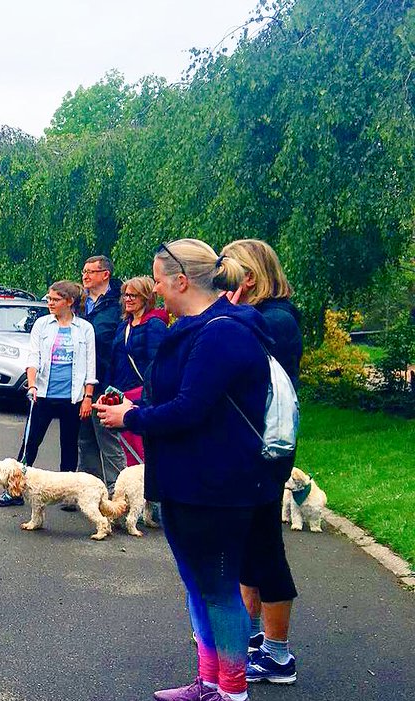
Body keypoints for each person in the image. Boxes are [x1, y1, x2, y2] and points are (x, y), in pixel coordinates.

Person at [96, 239, 271, 701]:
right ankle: (209, 680)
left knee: (218, 590)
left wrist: (130, 418)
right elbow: (173, 395)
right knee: (198, 588)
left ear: (180, 280)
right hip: (185, 480)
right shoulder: (196, 328)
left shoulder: (223, 332)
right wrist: (132, 402)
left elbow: (192, 408)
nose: (154, 287)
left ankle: (232, 691)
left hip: (216, 486)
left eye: (157, 278)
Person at [221, 238, 303, 685]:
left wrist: (224, 310)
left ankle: (278, 654)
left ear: (247, 277)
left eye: (226, 271)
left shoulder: (277, 320)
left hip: (267, 452)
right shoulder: (263, 315)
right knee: (250, 547)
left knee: (266, 549)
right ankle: (255, 637)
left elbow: (238, 352)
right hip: (252, 448)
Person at [0, 281, 97, 508]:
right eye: (48, 298)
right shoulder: (42, 324)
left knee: (69, 446)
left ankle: (68, 496)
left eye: (55, 300)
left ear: (69, 302)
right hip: (44, 393)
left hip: (72, 397)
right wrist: (32, 385)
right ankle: (14, 490)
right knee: (31, 442)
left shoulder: (85, 329)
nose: (50, 303)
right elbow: (34, 356)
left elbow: (90, 365)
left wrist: (88, 396)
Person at [77, 254, 127, 490]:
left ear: (105, 274)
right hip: (81, 382)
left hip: (106, 380)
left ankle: (118, 491)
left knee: (107, 439)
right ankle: (89, 489)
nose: (85, 276)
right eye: (83, 272)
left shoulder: (118, 304)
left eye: (90, 271)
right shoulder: (79, 303)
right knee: (85, 438)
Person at [108, 275, 168, 466]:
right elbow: (115, 361)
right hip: (121, 392)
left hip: (141, 394)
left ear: (146, 298)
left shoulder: (155, 325)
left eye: (134, 295)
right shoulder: (123, 326)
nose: (128, 299)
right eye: (126, 295)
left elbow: (156, 363)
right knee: (125, 449)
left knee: (140, 449)